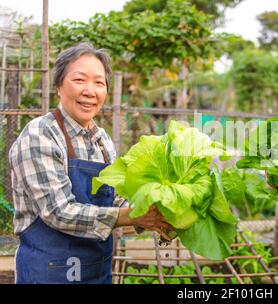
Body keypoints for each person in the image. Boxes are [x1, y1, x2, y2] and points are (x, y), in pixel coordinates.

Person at [9, 42, 174, 284]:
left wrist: (152, 212)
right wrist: (131, 216)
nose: (90, 91)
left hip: (97, 273)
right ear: (58, 86)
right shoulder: (40, 135)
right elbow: (59, 211)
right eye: (79, 80)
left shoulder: (102, 140)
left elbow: (116, 197)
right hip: (48, 273)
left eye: (99, 83)